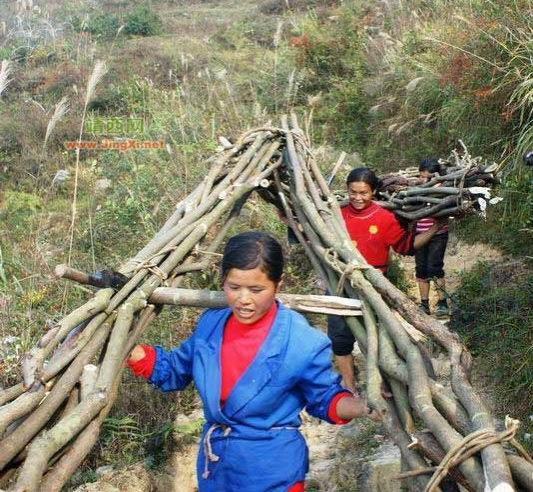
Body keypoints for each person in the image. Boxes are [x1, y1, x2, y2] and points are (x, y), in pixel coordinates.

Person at [127, 231, 380, 492]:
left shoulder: (301, 340)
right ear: (222, 281)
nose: (243, 299)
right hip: (217, 471)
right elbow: (173, 372)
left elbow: (325, 398)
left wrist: (362, 407)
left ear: (277, 285)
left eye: (256, 289)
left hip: (272, 471)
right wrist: (129, 350)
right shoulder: (211, 324)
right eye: (233, 287)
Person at [329, 167, 444, 393]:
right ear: (347, 190)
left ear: (373, 192)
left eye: (364, 193)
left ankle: (383, 382)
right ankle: (350, 387)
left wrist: (435, 228)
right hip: (340, 284)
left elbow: (406, 246)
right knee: (341, 340)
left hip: (373, 287)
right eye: (353, 192)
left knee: (376, 335)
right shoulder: (336, 215)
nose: (358, 198)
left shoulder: (383, 218)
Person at [415, 159, 449, 317]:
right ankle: (424, 304)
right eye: (421, 177)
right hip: (420, 235)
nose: (424, 181)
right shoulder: (415, 190)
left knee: (434, 267)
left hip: (438, 234)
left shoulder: (442, 190)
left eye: (428, 178)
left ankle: (442, 303)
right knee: (421, 268)